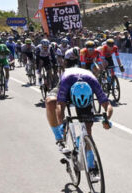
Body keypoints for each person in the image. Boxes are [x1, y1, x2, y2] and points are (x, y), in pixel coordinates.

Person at [45, 48, 113, 176]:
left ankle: (91, 163)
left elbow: (107, 105)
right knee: (50, 102)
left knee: (88, 129)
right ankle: (59, 138)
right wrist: (61, 122)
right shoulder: (66, 80)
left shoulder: (93, 82)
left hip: (84, 90)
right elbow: (60, 105)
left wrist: (107, 119)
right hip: (68, 85)